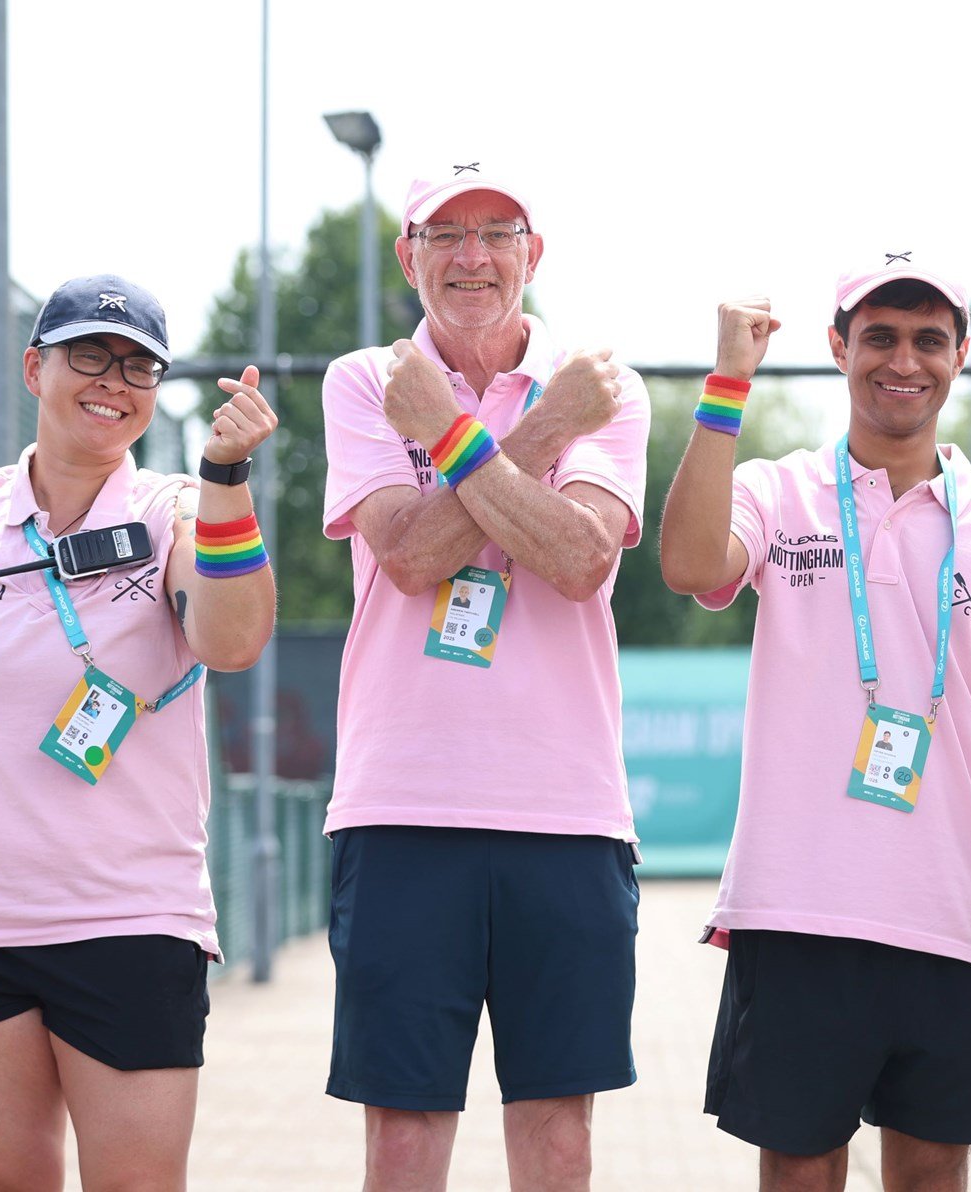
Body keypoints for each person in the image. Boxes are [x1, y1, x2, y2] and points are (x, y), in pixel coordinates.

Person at [0, 273, 278, 1189]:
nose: (111, 382)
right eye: (89, 355)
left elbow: (232, 642)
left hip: (130, 919)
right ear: (35, 367)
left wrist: (228, 481)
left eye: (137, 367)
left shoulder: (174, 513)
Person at [659, 256, 971, 1191]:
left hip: (945, 922)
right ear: (840, 346)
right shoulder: (780, 489)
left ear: (961, 353)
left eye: (930, 339)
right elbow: (688, 564)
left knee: (932, 1176)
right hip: (795, 912)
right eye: (880, 336)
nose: (905, 361)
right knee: (801, 1175)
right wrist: (726, 386)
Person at [318, 164, 650, 1190]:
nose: (470, 256)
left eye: (495, 231)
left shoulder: (601, 384)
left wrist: (465, 437)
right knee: (405, 1137)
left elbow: (582, 560)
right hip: (401, 804)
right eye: (444, 233)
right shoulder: (365, 381)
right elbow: (412, 561)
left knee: (556, 1132)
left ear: (530, 252)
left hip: (567, 812)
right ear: (407, 256)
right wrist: (534, 442)